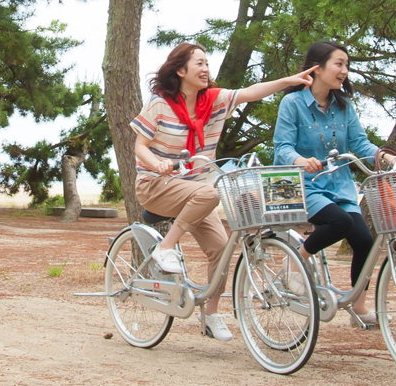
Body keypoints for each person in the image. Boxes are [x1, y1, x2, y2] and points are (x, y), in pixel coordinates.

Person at [132, 42, 316, 342]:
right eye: (199, 64)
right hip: (156, 185)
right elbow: (140, 147)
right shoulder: (159, 104)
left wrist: (289, 81)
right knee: (209, 194)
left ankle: (211, 314)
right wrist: (159, 163)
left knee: (221, 249)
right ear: (181, 70)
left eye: (207, 63)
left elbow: (250, 91)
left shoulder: (214, 101)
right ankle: (164, 249)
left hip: (197, 188)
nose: (206, 69)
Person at [273, 40, 396, 328]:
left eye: (346, 65)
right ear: (317, 68)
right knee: (340, 223)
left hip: (340, 186)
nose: (344, 71)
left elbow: (359, 143)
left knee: (365, 241)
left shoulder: (344, 106)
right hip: (305, 184)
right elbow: (282, 148)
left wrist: (382, 155)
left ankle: (358, 306)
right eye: (338, 64)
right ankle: (296, 260)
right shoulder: (292, 104)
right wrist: (302, 161)